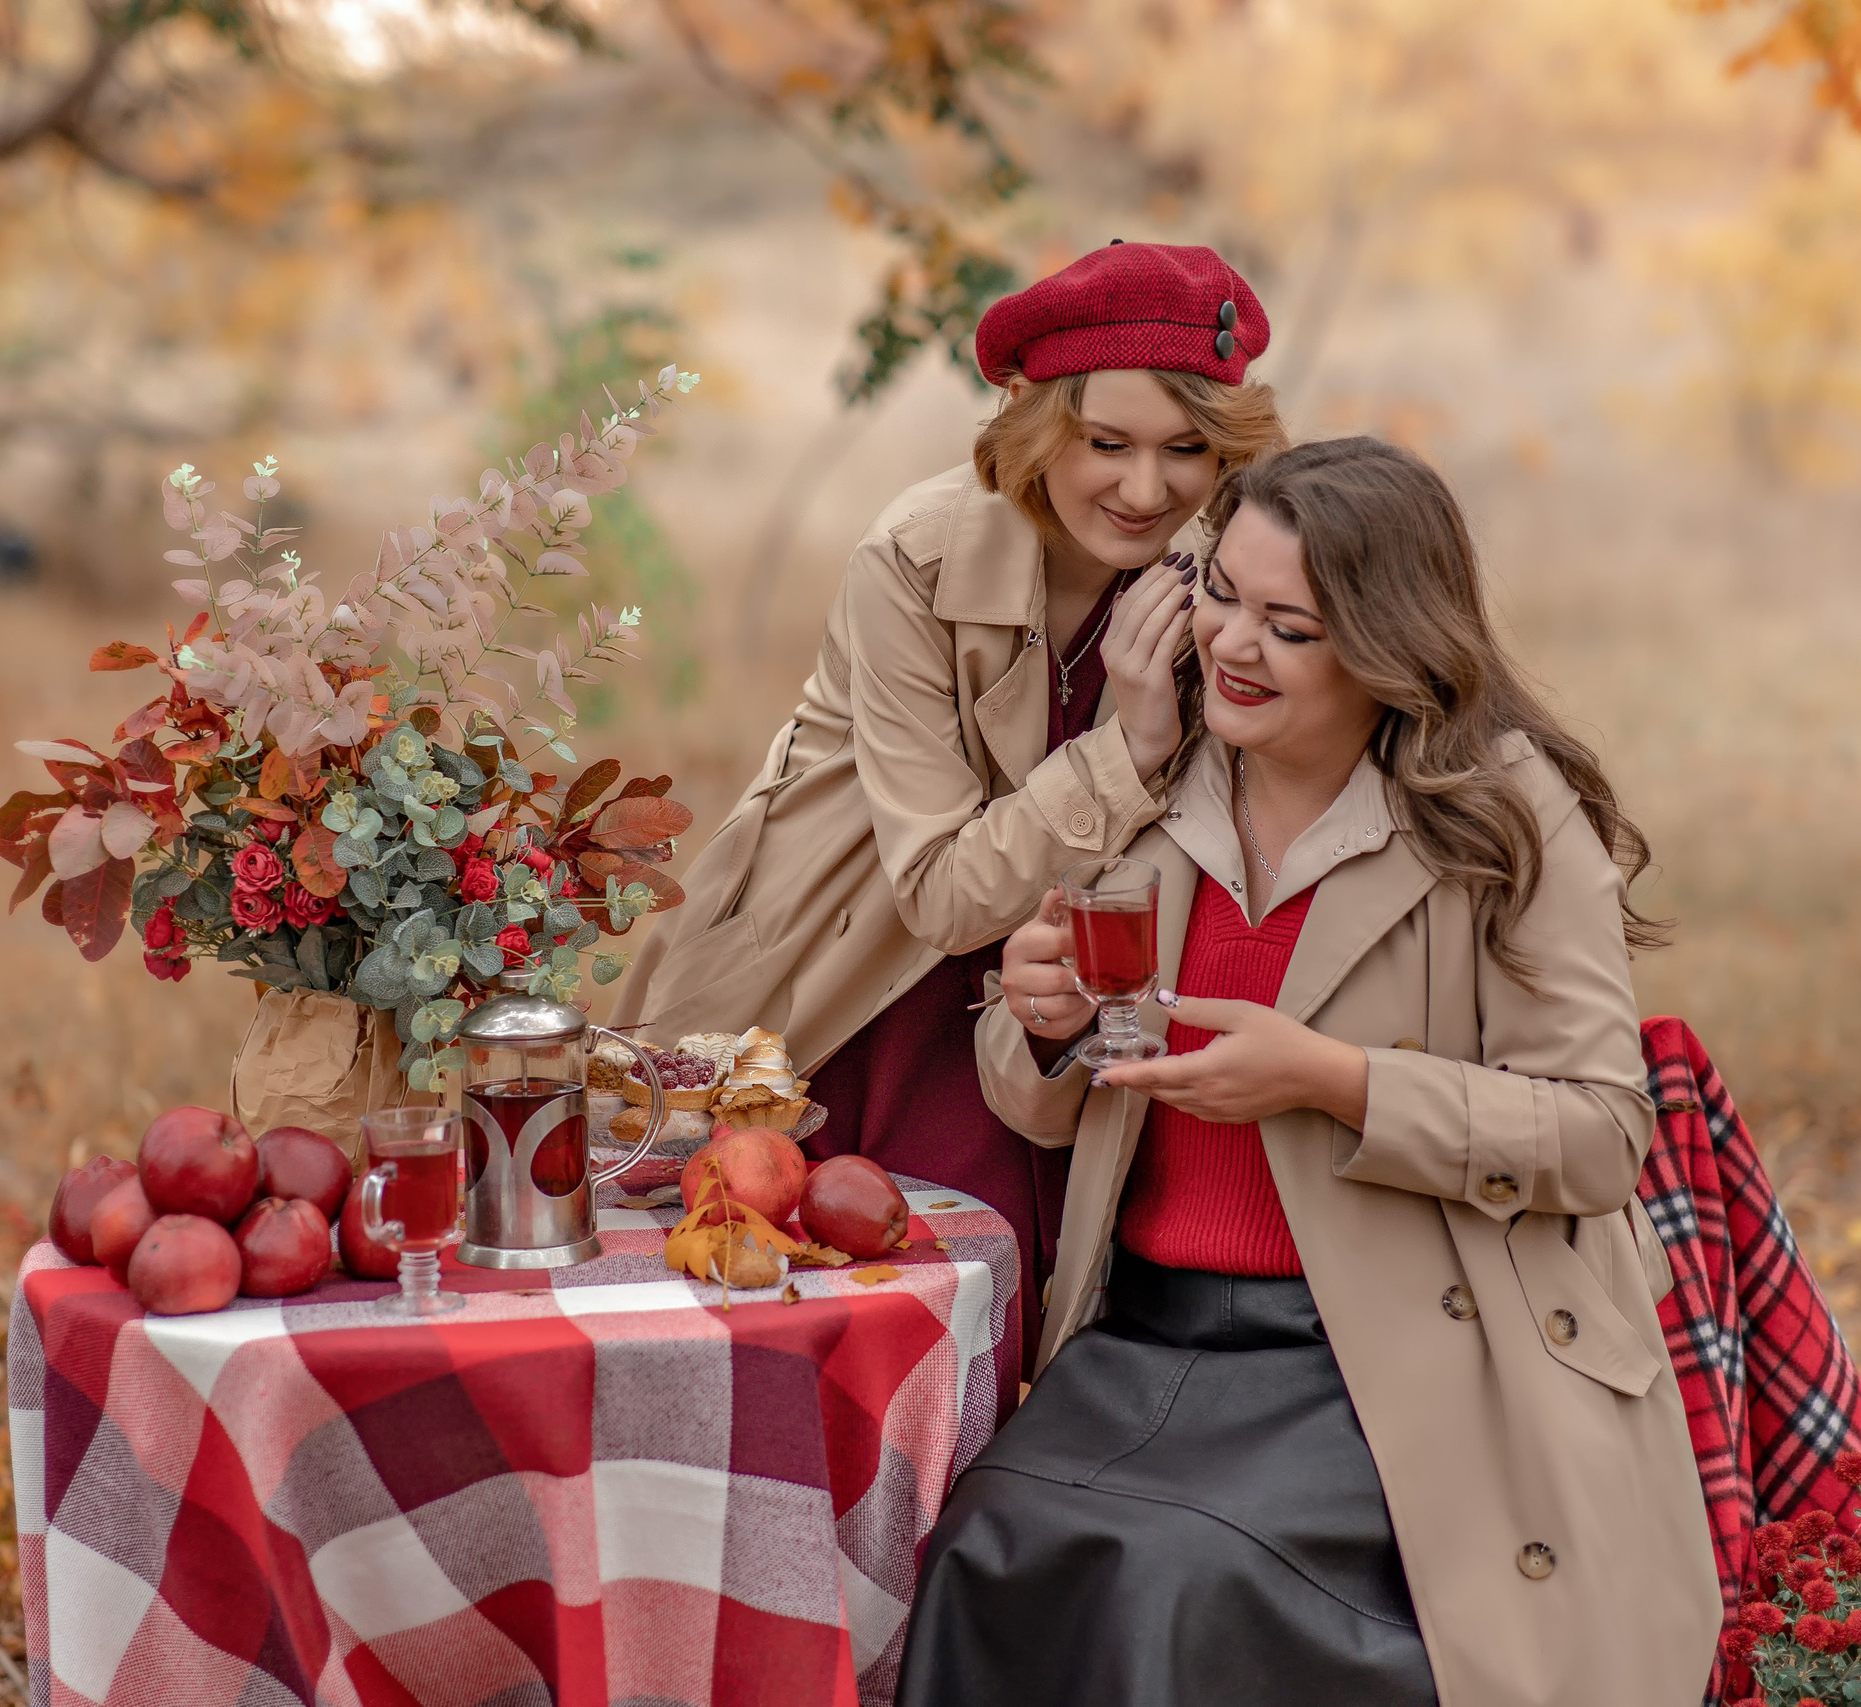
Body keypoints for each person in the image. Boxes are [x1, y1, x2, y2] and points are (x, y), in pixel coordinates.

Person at [898, 436, 1722, 1707]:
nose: (1230, 644)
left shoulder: (1500, 812)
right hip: (1147, 1336)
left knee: (1173, 1574)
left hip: (1389, 1353)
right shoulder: (1152, 769)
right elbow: (1037, 1096)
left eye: (1290, 626)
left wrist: (1336, 1082)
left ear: (1389, 650)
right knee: (983, 1550)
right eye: (1219, 593)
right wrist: (1044, 1019)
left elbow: (1604, 1137)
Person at [614, 242, 1286, 1361]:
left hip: (1071, 1017)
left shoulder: (1223, 580)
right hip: (859, 991)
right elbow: (936, 897)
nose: (1144, 489)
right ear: (1037, 426)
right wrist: (1127, 747)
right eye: (1104, 443)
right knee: (848, 1327)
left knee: (1035, 1342)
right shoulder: (915, 560)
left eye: (1187, 451)